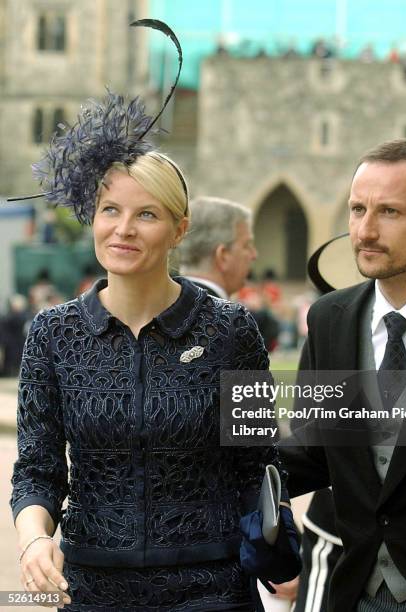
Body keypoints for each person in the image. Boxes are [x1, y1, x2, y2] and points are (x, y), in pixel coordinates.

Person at [9, 24, 293, 609]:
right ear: (92, 218)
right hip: (90, 587)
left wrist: (275, 544)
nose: (124, 229)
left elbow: (256, 465)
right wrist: (35, 538)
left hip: (210, 587)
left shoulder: (230, 330)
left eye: (147, 214)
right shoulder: (52, 335)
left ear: (179, 230)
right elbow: (36, 467)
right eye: (110, 210)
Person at [280, 139, 406, 611]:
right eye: (357, 209)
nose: (365, 231)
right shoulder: (329, 319)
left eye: (388, 212)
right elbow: (312, 450)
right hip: (353, 591)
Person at [178, 195, 257, 299]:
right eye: (246, 245)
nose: (254, 255)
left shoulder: (163, 305)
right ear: (223, 256)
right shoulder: (222, 313)